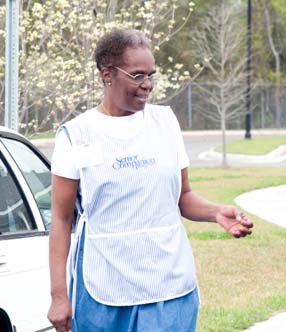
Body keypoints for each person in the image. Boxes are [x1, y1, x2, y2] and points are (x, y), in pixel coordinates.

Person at [47, 29, 253, 332]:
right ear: (108, 75)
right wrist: (58, 296)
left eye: (151, 75)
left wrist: (215, 212)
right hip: (103, 287)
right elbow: (62, 220)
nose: (148, 85)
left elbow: (183, 196)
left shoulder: (165, 123)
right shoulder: (76, 135)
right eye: (137, 75)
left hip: (168, 287)